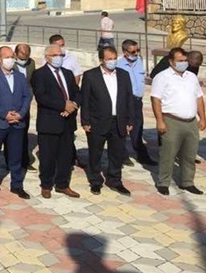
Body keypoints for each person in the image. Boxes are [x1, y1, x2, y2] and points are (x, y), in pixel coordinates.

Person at [151, 47, 206, 196]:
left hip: (190, 121)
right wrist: (160, 121)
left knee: (189, 154)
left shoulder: (191, 77)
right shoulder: (162, 77)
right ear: (171, 61)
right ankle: (163, 182)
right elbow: (155, 99)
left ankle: (187, 182)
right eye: (180, 61)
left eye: (185, 60)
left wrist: (203, 118)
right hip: (171, 120)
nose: (183, 63)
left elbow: (199, 98)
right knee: (168, 153)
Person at [81, 46, 134, 196]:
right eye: (109, 59)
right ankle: (95, 180)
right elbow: (85, 100)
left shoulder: (123, 75)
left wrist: (129, 120)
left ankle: (115, 180)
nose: (112, 61)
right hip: (97, 121)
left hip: (119, 121)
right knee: (95, 153)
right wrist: (85, 121)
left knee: (116, 153)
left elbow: (128, 98)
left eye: (114, 58)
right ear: (101, 60)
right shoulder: (91, 75)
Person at [32, 44, 82, 199]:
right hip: (49, 122)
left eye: (60, 55)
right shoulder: (40, 74)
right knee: (47, 156)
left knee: (66, 156)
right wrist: (62, 105)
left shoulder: (67, 73)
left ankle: (62, 184)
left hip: (67, 122)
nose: (59, 58)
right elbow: (41, 96)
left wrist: (73, 105)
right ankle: (46, 185)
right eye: (55, 55)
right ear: (47, 57)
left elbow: (77, 92)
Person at [0, 46, 32, 201]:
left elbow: (27, 96)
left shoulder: (19, 77)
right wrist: (5, 114)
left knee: (16, 156)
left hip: (17, 122)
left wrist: (21, 113)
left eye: (12, 56)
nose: (10, 59)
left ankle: (17, 185)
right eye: (7, 57)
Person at [116, 39, 154, 165]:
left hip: (138, 101)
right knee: (122, 129)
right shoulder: (118, 65)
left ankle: (142, 155)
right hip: (125, 101)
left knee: (138, 128)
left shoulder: (139, 62)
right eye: (133, 51)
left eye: (137, 50)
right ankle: (122, 154)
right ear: (125, 52)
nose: (136, 53)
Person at [49, 34, 84, 168]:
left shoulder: (71, 58)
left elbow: (76, 76)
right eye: (59, 45)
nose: (62, 48)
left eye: (63, 45)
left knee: (69, 132)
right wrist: (62, 103)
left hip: (70, 101)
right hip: (56, 104)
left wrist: (70, 101)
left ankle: (71, 157)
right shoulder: (48, 59)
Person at [10, 43, 36, 170]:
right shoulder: (9, 64)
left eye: (27, 55)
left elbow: (32, 82)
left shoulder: (31, 64)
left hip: (25, 103)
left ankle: (24, 161)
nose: (24, 58)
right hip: (11, 103)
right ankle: (11, 160)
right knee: (11, 133)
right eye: (22, 55)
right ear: (16, 54)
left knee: (23, 131)